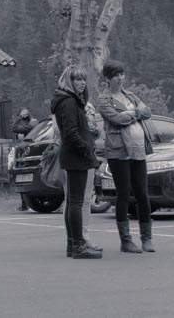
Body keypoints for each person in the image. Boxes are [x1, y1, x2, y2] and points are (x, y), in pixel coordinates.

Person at [98, 60, 155, 254]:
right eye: (116, 75)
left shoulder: (130, 95)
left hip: (139, 150)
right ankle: (126, 240)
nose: (120, 78)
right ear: (108, 78)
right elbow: (117, 119)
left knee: (142, 194)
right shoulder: (104, 99)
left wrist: (133, 112)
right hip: (118, 152)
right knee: (123, 194)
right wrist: (135, 113)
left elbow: (147, 112)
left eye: (122, 74)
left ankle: (147, 238)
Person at [51, 64, 102, 259]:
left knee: (73, 200)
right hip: (76, 157)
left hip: (73, 155)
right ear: (69, 81)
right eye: (77, 79)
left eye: (83, 79)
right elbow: (71, 133)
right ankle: (78, 244)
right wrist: (88, 152)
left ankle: (73, 244)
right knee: (77, 202)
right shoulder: (69, 102)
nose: (82, 83)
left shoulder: (68, 101)